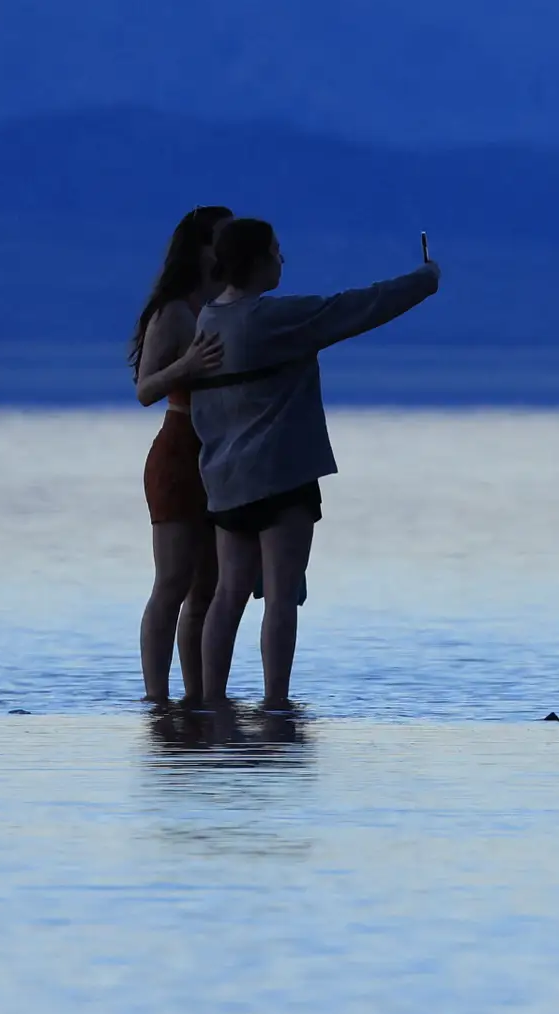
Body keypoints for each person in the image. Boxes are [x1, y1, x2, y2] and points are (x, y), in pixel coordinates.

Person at [189, 217, 441, 712]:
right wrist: (425, 280)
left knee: (228, 594)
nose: (282, 260)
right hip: (281, 477)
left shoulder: (207, 320)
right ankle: (275, 704)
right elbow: (358, 307)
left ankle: (209, 702)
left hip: (225, 479)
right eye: (277, 252)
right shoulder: (274, 318)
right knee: (281, 597)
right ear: (257, 261)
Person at [127, 203, 235, 707]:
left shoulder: (230, 301)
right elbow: (145, 389)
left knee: (208, 590)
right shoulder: (173, 311)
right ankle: (156, 699)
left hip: (223, 454)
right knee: (172, 582)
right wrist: (187, 364)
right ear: (200, 247)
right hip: (178, 452)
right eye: (222, 237)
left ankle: (201, 698)